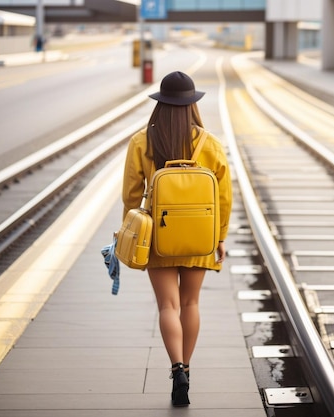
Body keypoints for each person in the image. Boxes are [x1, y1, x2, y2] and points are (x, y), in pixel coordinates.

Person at [122, 71, 232, 407]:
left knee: (168, 305)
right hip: (200, 236)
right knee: (190, 304)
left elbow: (130, 195)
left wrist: (132, 230)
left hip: (159, 237)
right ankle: (189, 367)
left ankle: (177, 369)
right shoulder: (209, 143)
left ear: (160, 104)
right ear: (191, 104)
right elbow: (224, 197)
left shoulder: (142, 141)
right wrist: (220, 236)